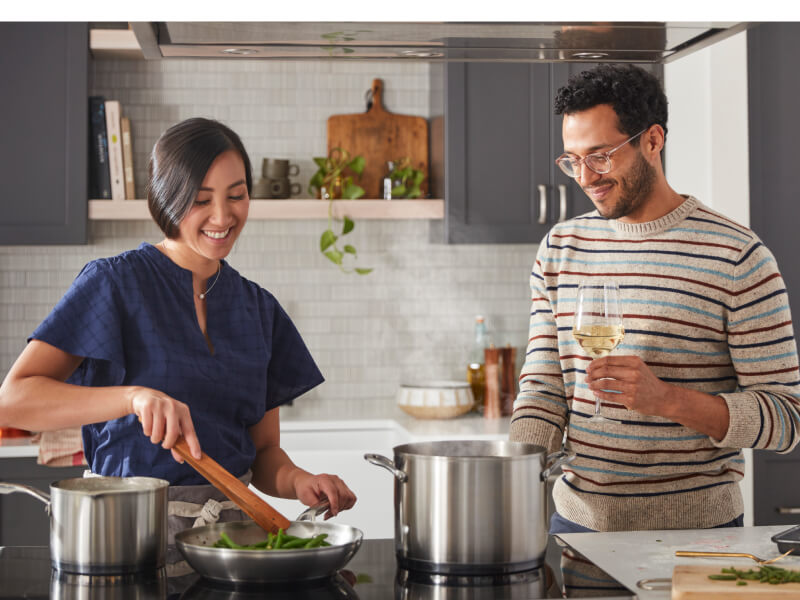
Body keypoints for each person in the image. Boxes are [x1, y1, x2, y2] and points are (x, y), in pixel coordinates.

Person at [0, 117, 356, 571]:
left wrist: (300, 481)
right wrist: (132, 397)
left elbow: (263, 454)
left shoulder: (260, 309)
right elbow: (12, 399)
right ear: (166, 197)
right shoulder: (113, 283)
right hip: (124, 541)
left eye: (237, 195)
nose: (223, 217)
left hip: (231, 550)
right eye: (200, 200)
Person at [510, 63, 800, 595]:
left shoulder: (738, 256)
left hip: (701, 542)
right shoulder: (560, 249)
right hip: (577, 531)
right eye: (572, 160)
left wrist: (667, 399)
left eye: (600, 155)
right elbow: (544, 388)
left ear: (653, 140)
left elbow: (787, 418)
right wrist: (508, 479)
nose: (585, 177)